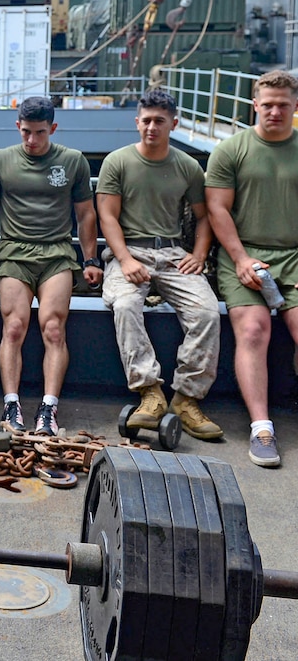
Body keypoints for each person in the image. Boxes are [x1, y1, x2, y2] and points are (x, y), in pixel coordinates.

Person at [0, 96, 102, 436]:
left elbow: (86, 213)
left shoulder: (72, 162)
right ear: (18, 127)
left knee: (53, 328)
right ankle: (11, 404)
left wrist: (90, 260)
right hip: (14, 253)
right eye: (26, 132)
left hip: (57, 254)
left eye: (39, 132)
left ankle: (48, 408)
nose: (31, 140)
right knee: (13, 326)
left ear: (52, 129)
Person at [96, 90, 223, 441]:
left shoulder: (187, 166)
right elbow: (107, 215)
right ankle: (149, 393)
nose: (152, 127)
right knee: (124, 305)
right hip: (129, 251)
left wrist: (197, 255)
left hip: (171, 254)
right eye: (146, 120)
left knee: (207, 312)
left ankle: (186, 398)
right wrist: (124, 259)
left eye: (160, 122)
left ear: (173, 124)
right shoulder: (118, 162)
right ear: (137, 122)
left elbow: (204, 217)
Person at [205, 69, 298, 467]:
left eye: (283, 105)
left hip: (294, 253)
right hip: (243, 253)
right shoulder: (232, 150)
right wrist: (241, 258)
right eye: (268, 104)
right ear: (254, 105)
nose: (275, 111)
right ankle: (262, 428)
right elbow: (217, 208)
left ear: (295, 107)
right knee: (254, 328)